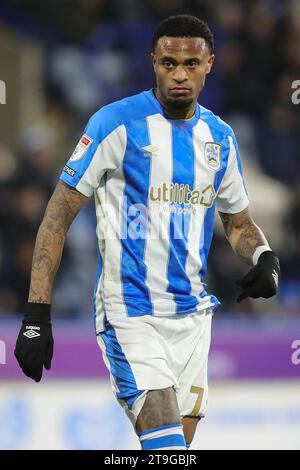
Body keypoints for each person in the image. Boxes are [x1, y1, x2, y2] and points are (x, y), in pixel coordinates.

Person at [14, 15, 280, 450]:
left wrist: (265, 257)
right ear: (152, 61)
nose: (179, 74)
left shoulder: (220, 138)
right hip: (130, 311)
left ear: (209, 63)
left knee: (172, 452)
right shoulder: (114, 124)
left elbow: (238, 223)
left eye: (191, 64)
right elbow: (56, 217)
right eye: (169, 62)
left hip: (193, 318)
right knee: (167, 444)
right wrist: (35, 316)